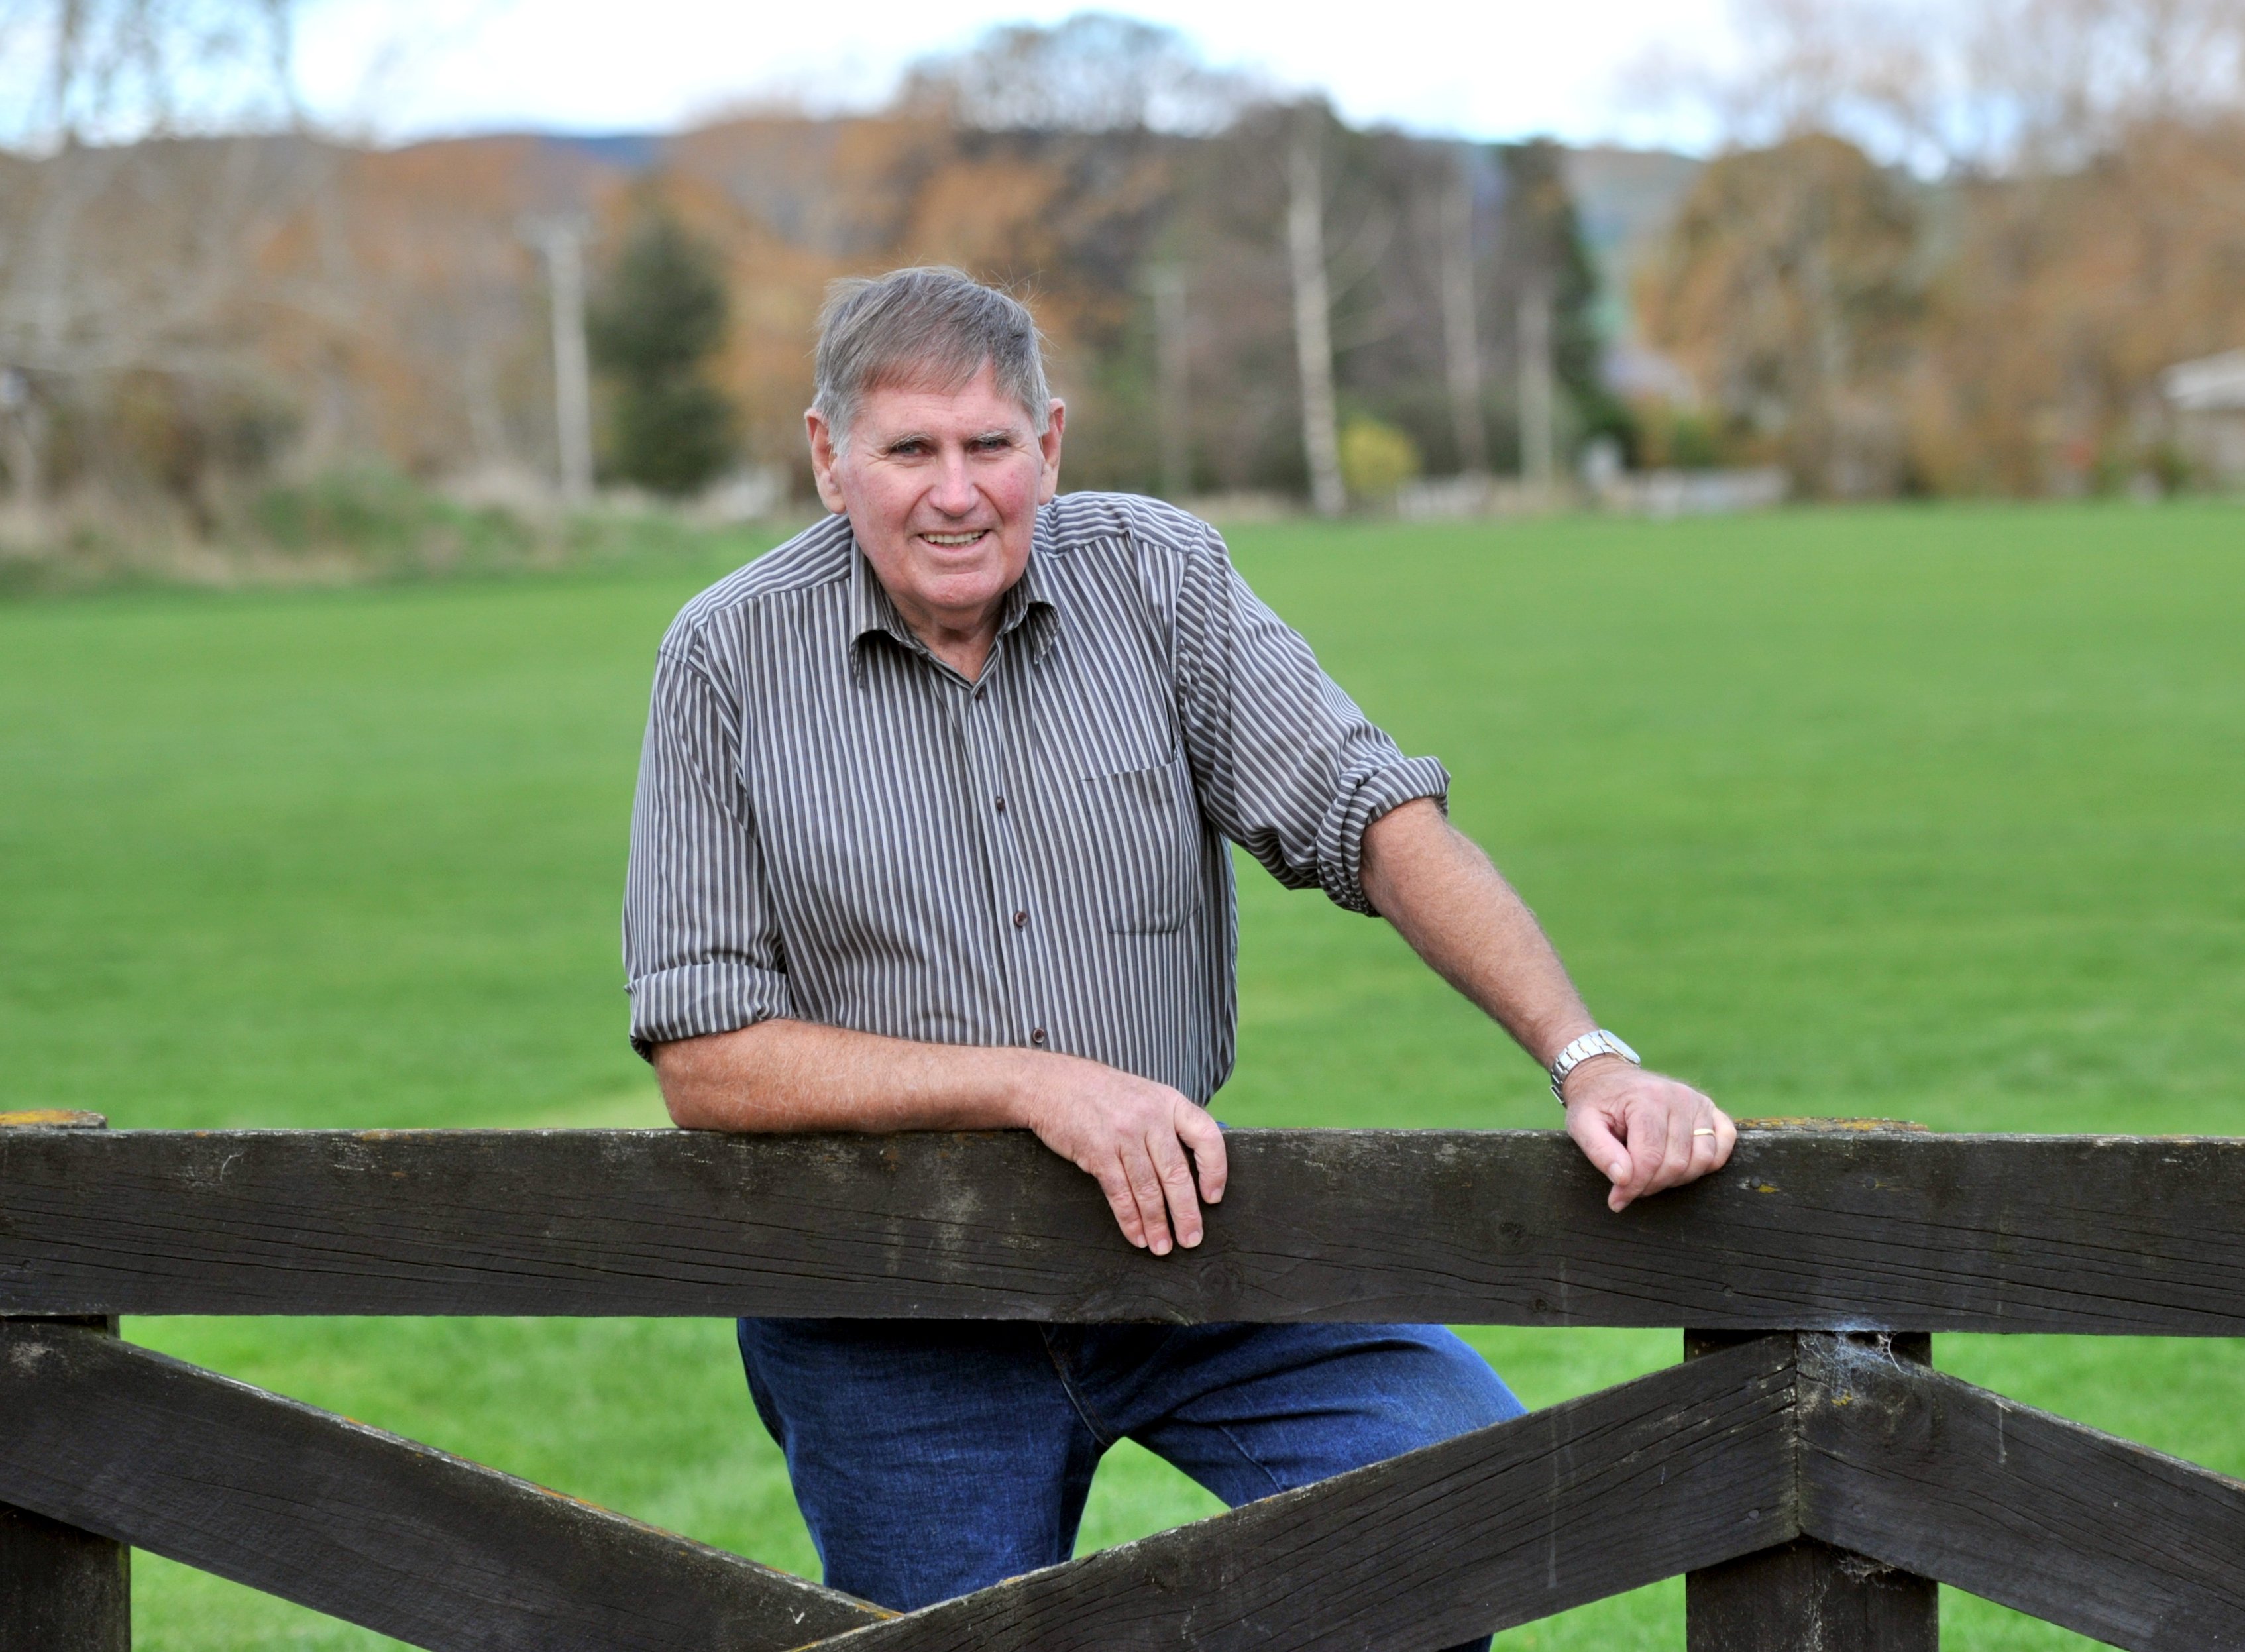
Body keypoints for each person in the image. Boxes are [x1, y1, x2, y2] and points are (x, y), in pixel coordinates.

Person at [623, 266, 1735, 1639]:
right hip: (889, 1303)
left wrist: (1584, 1056)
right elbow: (705, 1052)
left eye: (991, 444)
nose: (955, 490)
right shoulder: (724, 656)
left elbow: (1372, 816)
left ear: (1052, 442)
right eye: (909, 448)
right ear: (827, 455)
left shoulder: (1158, 576)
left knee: (1468, 1509)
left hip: (1181, 1248)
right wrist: (1035, 1083)